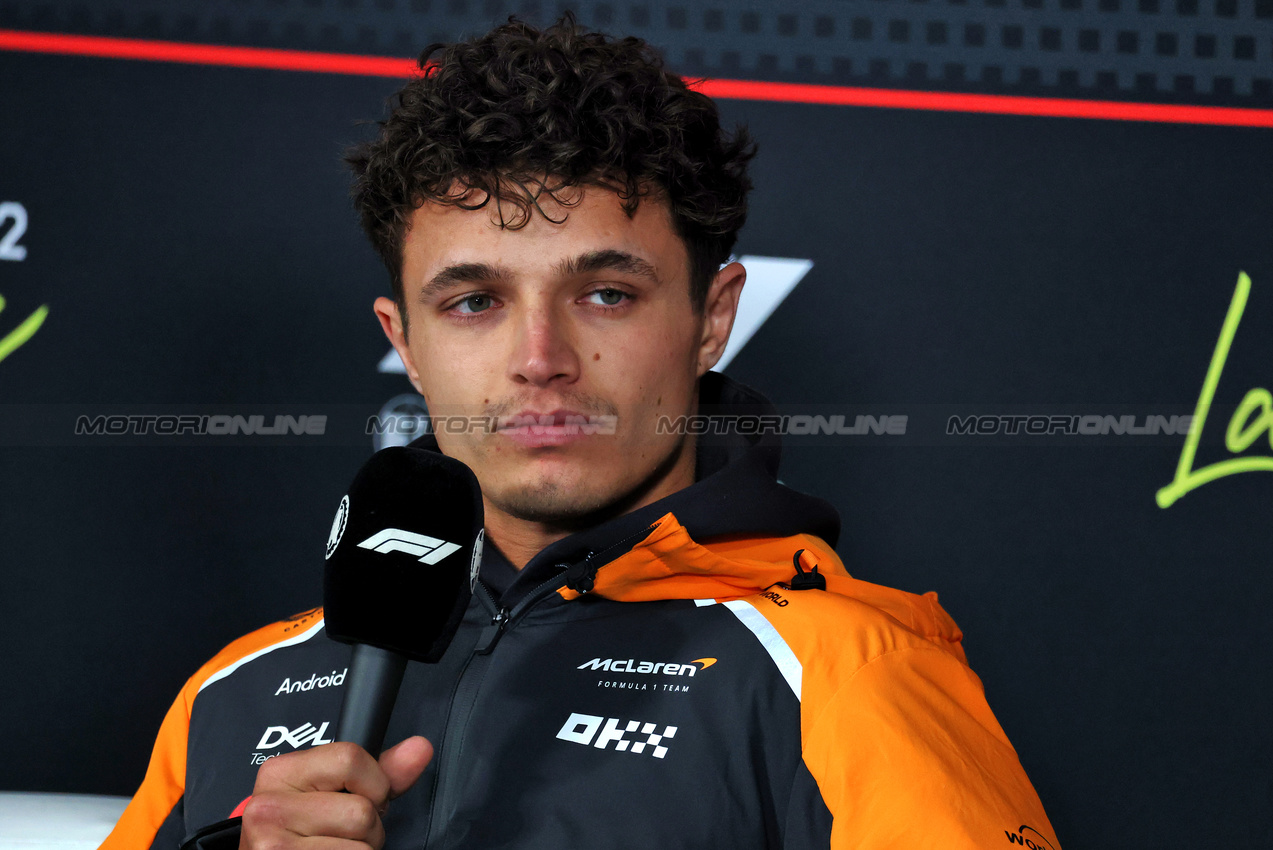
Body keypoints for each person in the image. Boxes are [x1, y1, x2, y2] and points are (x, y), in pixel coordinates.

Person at [103, 15, 1061, 850]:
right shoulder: (232, 691)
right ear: (406, 342)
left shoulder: (847, 674)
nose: (539, 357)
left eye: (605, 294)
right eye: (475, 301)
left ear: (711, 318)